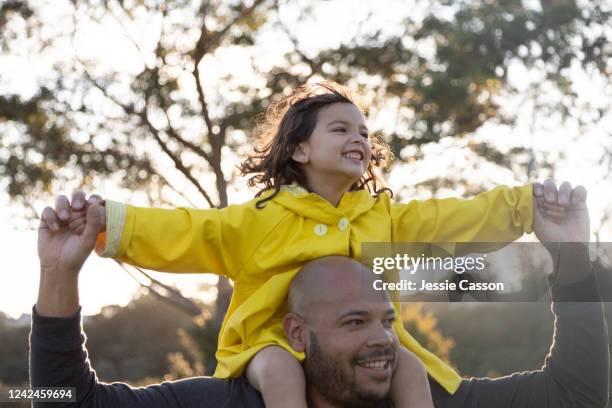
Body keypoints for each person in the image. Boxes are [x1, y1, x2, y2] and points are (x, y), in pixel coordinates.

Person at [56, 81, 566, 407]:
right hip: (268, 345)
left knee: (411, 366)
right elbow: (188, 232)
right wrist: (109, 224)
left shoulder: (381, 217)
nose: (359, 139)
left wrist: (526, 205)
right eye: (341, 128)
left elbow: (454, 219)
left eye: (364, 132)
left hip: (361, 354)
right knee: (280, 372)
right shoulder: (260, 219)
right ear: (299, 148)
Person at [31, 181, 609, 407]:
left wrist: (571, 254)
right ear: (297, 334)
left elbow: (580, 393)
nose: (383, 337)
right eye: (355, 322)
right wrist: (59, 276)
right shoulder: (235, 404)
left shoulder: (432, 398)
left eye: (387, 319)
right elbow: (61, 402)